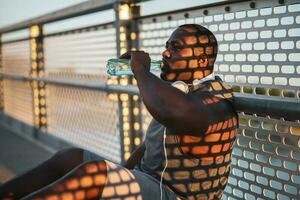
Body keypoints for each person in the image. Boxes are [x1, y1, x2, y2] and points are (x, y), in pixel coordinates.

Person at [0, 24, 238, 200]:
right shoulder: (181, 90)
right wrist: (121, 172)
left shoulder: (215, 100)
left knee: (94, 173)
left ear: (203, 60)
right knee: (71, 157)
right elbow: (148, 146)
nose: (166, 53)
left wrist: (141, 71)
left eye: (176, 48)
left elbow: (170, 110)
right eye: (167, 47)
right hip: (150, 184)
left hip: (172, 196)